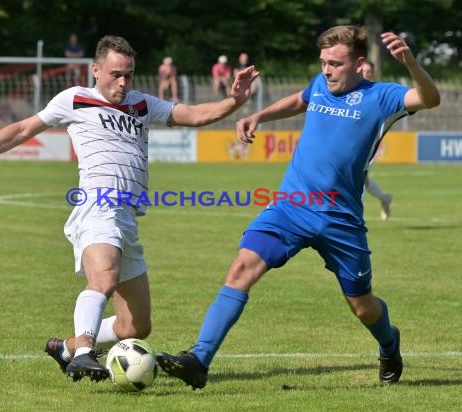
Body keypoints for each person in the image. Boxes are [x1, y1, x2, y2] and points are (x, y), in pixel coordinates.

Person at [0, 35, 259, 383]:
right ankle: (83, 354)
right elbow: (22, 129)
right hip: (97, 205)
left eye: (129, 74)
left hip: (127, 217)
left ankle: (65, 349)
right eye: (115, 74)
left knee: (136, 326)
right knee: (104, 276)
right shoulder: (75, 99)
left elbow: (195, 114)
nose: (123, 82)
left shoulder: (141, 104)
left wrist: (234, 101)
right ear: (96, 70)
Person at [156, 26, 440, 389]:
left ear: (359, 64)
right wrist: (259, 116)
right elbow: (300, 100)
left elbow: (430, 99)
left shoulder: (382, 97)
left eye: (335, 64)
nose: (327, 70)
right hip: (292, 206)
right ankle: (199, 359)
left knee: (362, 306)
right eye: (323, 62)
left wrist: (410, 62)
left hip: (341, 219)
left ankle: (389, 343)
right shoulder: (320, 84)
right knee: (242, 267)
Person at [362, 60, 393, 220]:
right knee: (364, 181)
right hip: (350, 143)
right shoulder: (350, 90)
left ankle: (353, 221)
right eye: (363, 71)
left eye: (368, 72)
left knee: (357, 178)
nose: (365, 74)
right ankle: (384, 197)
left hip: (367, 144)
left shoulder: (377, 93)